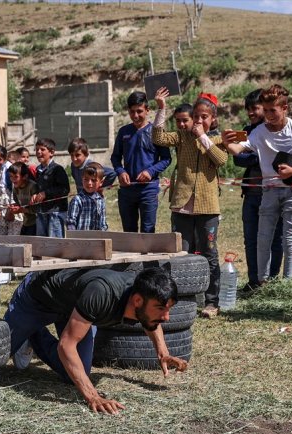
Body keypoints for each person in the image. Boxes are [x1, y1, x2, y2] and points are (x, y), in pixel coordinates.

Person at [4, 267, 188, 415]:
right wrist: (93, 396)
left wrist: (163, 353)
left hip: (74, 308)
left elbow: (151, 320)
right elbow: (66, 345)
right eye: (161, 309)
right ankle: (27, 329)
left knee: (74, 374)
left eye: (168, 309)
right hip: (37, 296)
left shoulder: (143, 295)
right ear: (137, 300)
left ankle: (33, 335)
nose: (166, 317)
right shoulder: (102, 293)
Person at [223, 84, 292, 283]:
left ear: (284, 108)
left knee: (289, 241)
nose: (268, 115)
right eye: (266, 110)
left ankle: (287, 284)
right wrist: (226, 142)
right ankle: (262, 282)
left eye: (273, 110)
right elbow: (237, 150)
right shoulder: (259, 132)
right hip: (269, 191)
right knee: (263, 239)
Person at [152, 88, 229, 318]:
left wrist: (203, 137)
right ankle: (181, 299)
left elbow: (221, 160)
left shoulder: (217, 139)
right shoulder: (182, 137)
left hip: (207, 207)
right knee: (180, 254)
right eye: (196, 116)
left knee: (209, 254)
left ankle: (212, 302)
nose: (199, 120)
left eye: (204, 117)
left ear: (213, 119)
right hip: (182, 205)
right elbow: (158, 138)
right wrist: (161, 108)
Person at [232, 88, 283, 292]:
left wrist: (255, 154)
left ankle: (271, 281)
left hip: (272, 193)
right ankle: (254, 280)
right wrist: (261, 155)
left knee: (274, 239)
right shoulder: (246, 131)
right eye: (248, 109)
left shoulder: (276, 130)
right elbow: (237, 159)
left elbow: (276, 157)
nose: (250, 113)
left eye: (255, 108)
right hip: (251, 194)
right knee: (251, 239)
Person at [110, 91, 172, 233]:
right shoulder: (124, 132)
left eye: (139, 111)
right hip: (127, 191)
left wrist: (150, 171)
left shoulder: (156, 132)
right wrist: (120, 171)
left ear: (147, 110)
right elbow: (115, 157)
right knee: (129, 232)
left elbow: (166, 159)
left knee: (148, 231)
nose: (136, 115)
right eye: (132, 112)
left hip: (148, 190)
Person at [32, 138, 70, 238]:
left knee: (55, 243)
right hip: (41, 211)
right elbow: (38, 188)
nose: (38, 152)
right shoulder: (38, 170)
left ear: (51, 153)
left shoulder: (57, 169)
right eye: (37, 149)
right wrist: (35, 195)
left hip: (55, 213)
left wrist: (46, 193)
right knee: (42, 242)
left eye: (42, 149)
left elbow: (65, 189)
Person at [66, 162, 108, 231]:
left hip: (97, 237)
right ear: (82, 179)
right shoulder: (77, 200)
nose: (89, 183)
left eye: (93, 180)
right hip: (80, 237)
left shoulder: (100, 200)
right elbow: (70, 223)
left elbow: (103, 224)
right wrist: (74, 235)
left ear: (101, 182)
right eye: (86, 179)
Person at [9, 162, 39, 236]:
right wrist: (14, 208)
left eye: (16, 177)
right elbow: (18, 204)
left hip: (36, 223)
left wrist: (21, 210)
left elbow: (37, 209)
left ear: (25, 176)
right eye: (11, 176)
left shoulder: (32, 187)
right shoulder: (16, 188)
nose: (13, 179)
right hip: (26, 222)